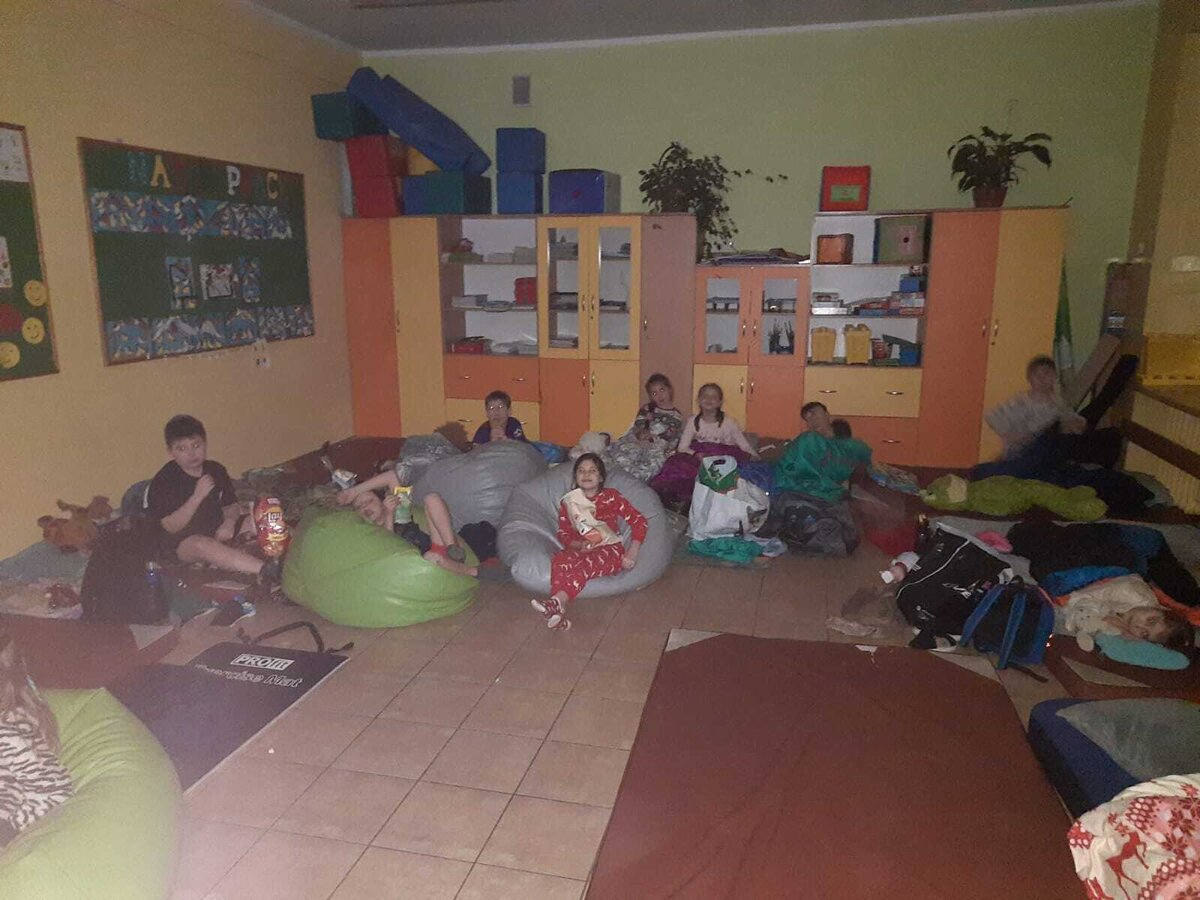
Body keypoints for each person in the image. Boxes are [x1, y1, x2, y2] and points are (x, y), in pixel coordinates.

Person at [146, 415, 280, 584]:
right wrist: (197, 496)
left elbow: (231, 505)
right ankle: (271, 572)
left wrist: (229, 522)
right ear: (171, 452)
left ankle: (292, 557)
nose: (191, 454)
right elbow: (170, 527)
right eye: (182, 449)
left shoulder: (215, 469)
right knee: (201, 545)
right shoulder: (164, 480)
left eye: (196, 445)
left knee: (265, 518)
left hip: (219, 531)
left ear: (205, 444)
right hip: (183, 545)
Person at [532, 454, 648, 632]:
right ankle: (559, 612)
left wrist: (632, 551)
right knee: (561, 560)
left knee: (583, 564)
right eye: (581, 471)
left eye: (592, 471)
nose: (586, 474)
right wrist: (579, 545)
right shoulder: (570, 502)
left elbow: (639, 521)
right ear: (575, 477)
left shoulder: (611, 497)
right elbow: (564, 534)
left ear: (600, 477)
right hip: (582, 548)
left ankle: (557, 602)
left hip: (609, 549)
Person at [650, 383, 758, 506]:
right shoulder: (693, 421)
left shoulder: (730, 422)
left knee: (735, 473)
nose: (709, 399)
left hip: (721, 458)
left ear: (720, 402)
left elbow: (744, 445)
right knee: (675, 465)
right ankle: (680, 500)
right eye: (705, 396)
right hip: (700, 456)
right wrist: (696, 454)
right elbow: (682, 447)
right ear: (698, 400)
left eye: (713, 397)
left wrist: (755, 457)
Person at [345, 486, 478, 578]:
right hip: (421, 565)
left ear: (382, 500)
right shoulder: (367, 531)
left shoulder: (401, 512)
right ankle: (473, 572)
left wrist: (354, 490)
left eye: (369, 501)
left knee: (431, 498)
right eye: (359, 506)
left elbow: (393, 476)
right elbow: (390, 549)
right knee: (430, 558)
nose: (365, 507)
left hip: (437, 548)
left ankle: (454, 551)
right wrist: (389, 515)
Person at [1054, 574, 1193, 652]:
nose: (1139, 626)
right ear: (1161, 609)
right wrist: (1102, 617)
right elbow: (1075, 598)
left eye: (1145, 634)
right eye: (1150, 621)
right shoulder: (1131, 592)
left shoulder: (1129, 622)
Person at [986, 355, 1086, 460]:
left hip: (1047, 452)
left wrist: (1076, 423)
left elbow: (1073, 420)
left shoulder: (1058, 403)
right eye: (1036, 374)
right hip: (1020, 454)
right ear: (1029, 378)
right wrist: (1011, 436)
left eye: (1046, 373)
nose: (1041, 378)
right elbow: (993, 417)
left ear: (1054, 376)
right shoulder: (1021, 401)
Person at [772, 402, 872, 503]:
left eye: (814, 414)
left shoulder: (851, 445)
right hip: (813, 488)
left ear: (827, 415)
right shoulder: (809, 441)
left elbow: (864, 462)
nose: (812, 420)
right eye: (808, 419)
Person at [606, 373, 684, 481]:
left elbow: (669, 435)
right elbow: (638, 425)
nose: (659, 395)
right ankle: (620, 475)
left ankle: (637, 478)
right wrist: (642, 434)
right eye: (654, 393)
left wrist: (653, 439)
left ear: (669, 390)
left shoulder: (676, 415)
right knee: (623, 453)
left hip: (659, 445)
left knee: (654, 463)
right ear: (650, 396)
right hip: (639, 440)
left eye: (662, 390)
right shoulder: (647, 409)